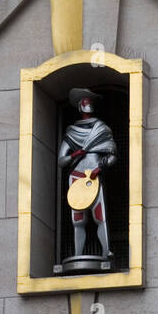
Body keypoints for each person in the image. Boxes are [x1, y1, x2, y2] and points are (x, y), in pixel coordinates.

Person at [58, 87, 117, 264]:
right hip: (76, 177)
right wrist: (76, 154)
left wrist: (101, 167)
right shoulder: (71, 133)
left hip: (94, 175)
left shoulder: (102, 129)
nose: (88, 105)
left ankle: (107, 252)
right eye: (84, 102)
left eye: (90, 102)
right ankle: (78, 254)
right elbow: (62, 160)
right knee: (78, 220)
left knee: (101, 217)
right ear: (79, 106)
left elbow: (112, 154)